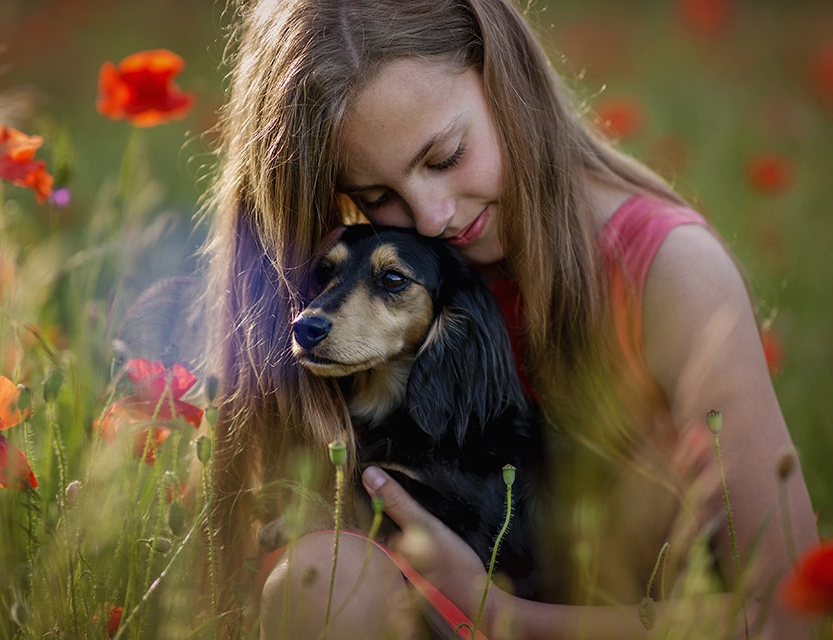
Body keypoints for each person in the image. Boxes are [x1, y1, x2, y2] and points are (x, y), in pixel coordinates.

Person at [198, 0, 820, 638]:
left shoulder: (671, 273)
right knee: (320, 579)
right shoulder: (370, 276)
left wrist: (502, 614)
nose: (433, 217)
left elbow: (789, 615)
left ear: (505, 80)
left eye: (445, 156)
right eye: (378, 196)